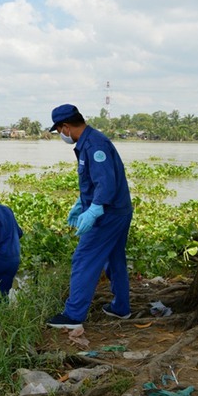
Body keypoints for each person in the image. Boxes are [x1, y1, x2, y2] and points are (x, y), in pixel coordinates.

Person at [46, 104, 133, 329]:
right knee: (114, 259)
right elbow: (95, 180)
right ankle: (121, 308)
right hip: (117, 210)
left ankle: (73, 316)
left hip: (108, 214)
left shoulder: (94, 145)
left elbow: (106, 183)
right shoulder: (89, 141)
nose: (61, 136)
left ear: (66, 127)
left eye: (59, 131)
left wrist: (94, 210)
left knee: (84, 258)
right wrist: (80, 204)